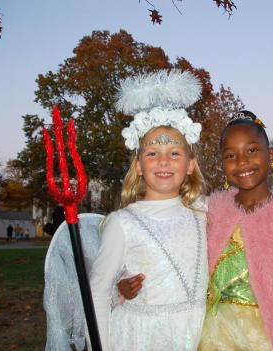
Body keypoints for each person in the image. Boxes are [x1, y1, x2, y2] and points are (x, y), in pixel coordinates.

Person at [119, 110, 273, 350]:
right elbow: (166, 252)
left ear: (271, 155)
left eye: (252, 150)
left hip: (267, 340)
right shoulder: (210, 212)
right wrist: (124, 285)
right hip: (208, 335)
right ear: (223, 163)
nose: (242, 161)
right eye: (231, 155)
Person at [88, 70, 208, 351]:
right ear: (139, 165)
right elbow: (98, 292)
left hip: (199, 336)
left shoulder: (204, 213)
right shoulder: (122, 223)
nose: (163, 161)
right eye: (152, 153)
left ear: (190, 163)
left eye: (175, 153)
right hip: (141, 340)